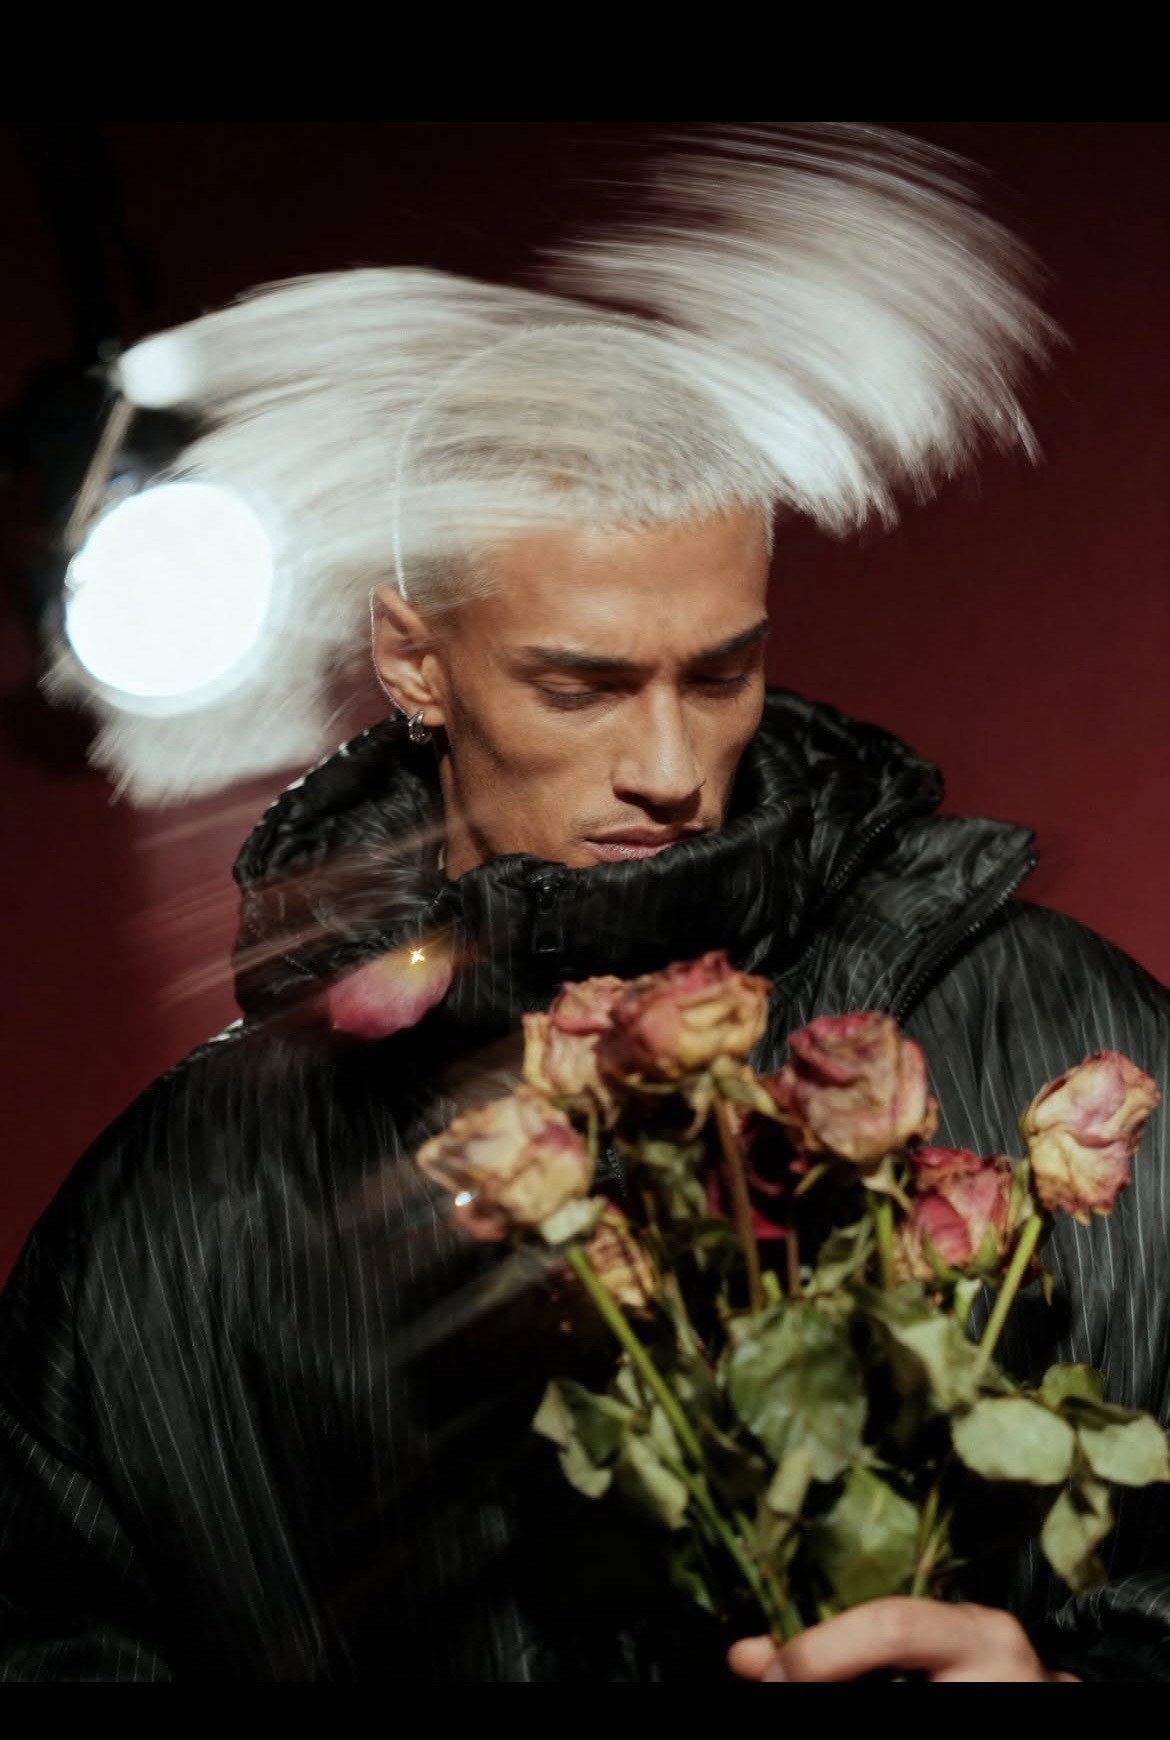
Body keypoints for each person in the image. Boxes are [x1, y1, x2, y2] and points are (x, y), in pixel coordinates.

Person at [1, 126, 1167, 1683]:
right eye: (581, 687)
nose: (671, 769)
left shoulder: (1070, 1038)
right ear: (414, 661)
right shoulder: (167, 1223)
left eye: (721, 675)